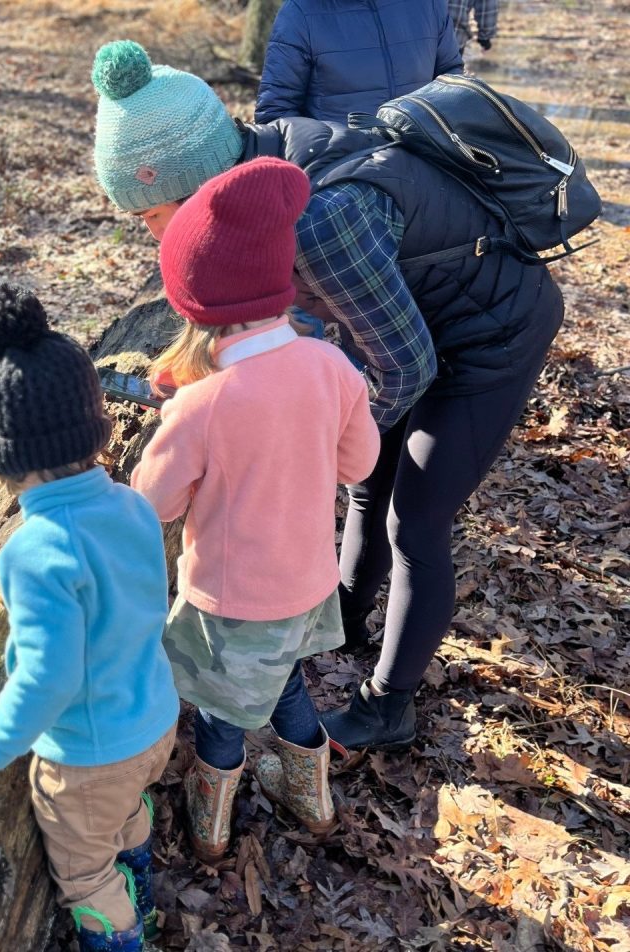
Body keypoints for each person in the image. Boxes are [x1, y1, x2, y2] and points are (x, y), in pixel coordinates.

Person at [91, 41, 565, 752]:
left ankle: (388, 705)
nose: (152, 236)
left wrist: (302, 430)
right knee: (369, 486)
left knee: (414, 520)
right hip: (415, 322)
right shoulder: (264, 174)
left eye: (150, 215)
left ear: (192, 182)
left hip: (489, 337)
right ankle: (341, 609)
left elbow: (403, 370)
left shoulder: (316, 220)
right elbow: (312, 317)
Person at [0, 279, 179, 952]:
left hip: (91, 753)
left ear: (3, 453)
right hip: (154, 720)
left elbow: (48, 678)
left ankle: (123, 931)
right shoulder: (132, 505)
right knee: (122, 823)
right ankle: (141, 888)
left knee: (85, 873)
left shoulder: (36, 550)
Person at [130, 158, 380, 861]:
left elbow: (154, 503)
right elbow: (358, 465)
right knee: (284, 683)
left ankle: (211, 825)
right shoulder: (331, 367)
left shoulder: (201, 406)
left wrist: (175, 419)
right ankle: (312, 796)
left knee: (220, 710)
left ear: (195, 304)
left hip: (229, 602)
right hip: (304, 585)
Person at [255, 0, 464, 125]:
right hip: (341, 179)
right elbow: (276, 114)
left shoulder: (427, 4)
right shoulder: (299, 14)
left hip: (423, 170)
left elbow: (449, 77)